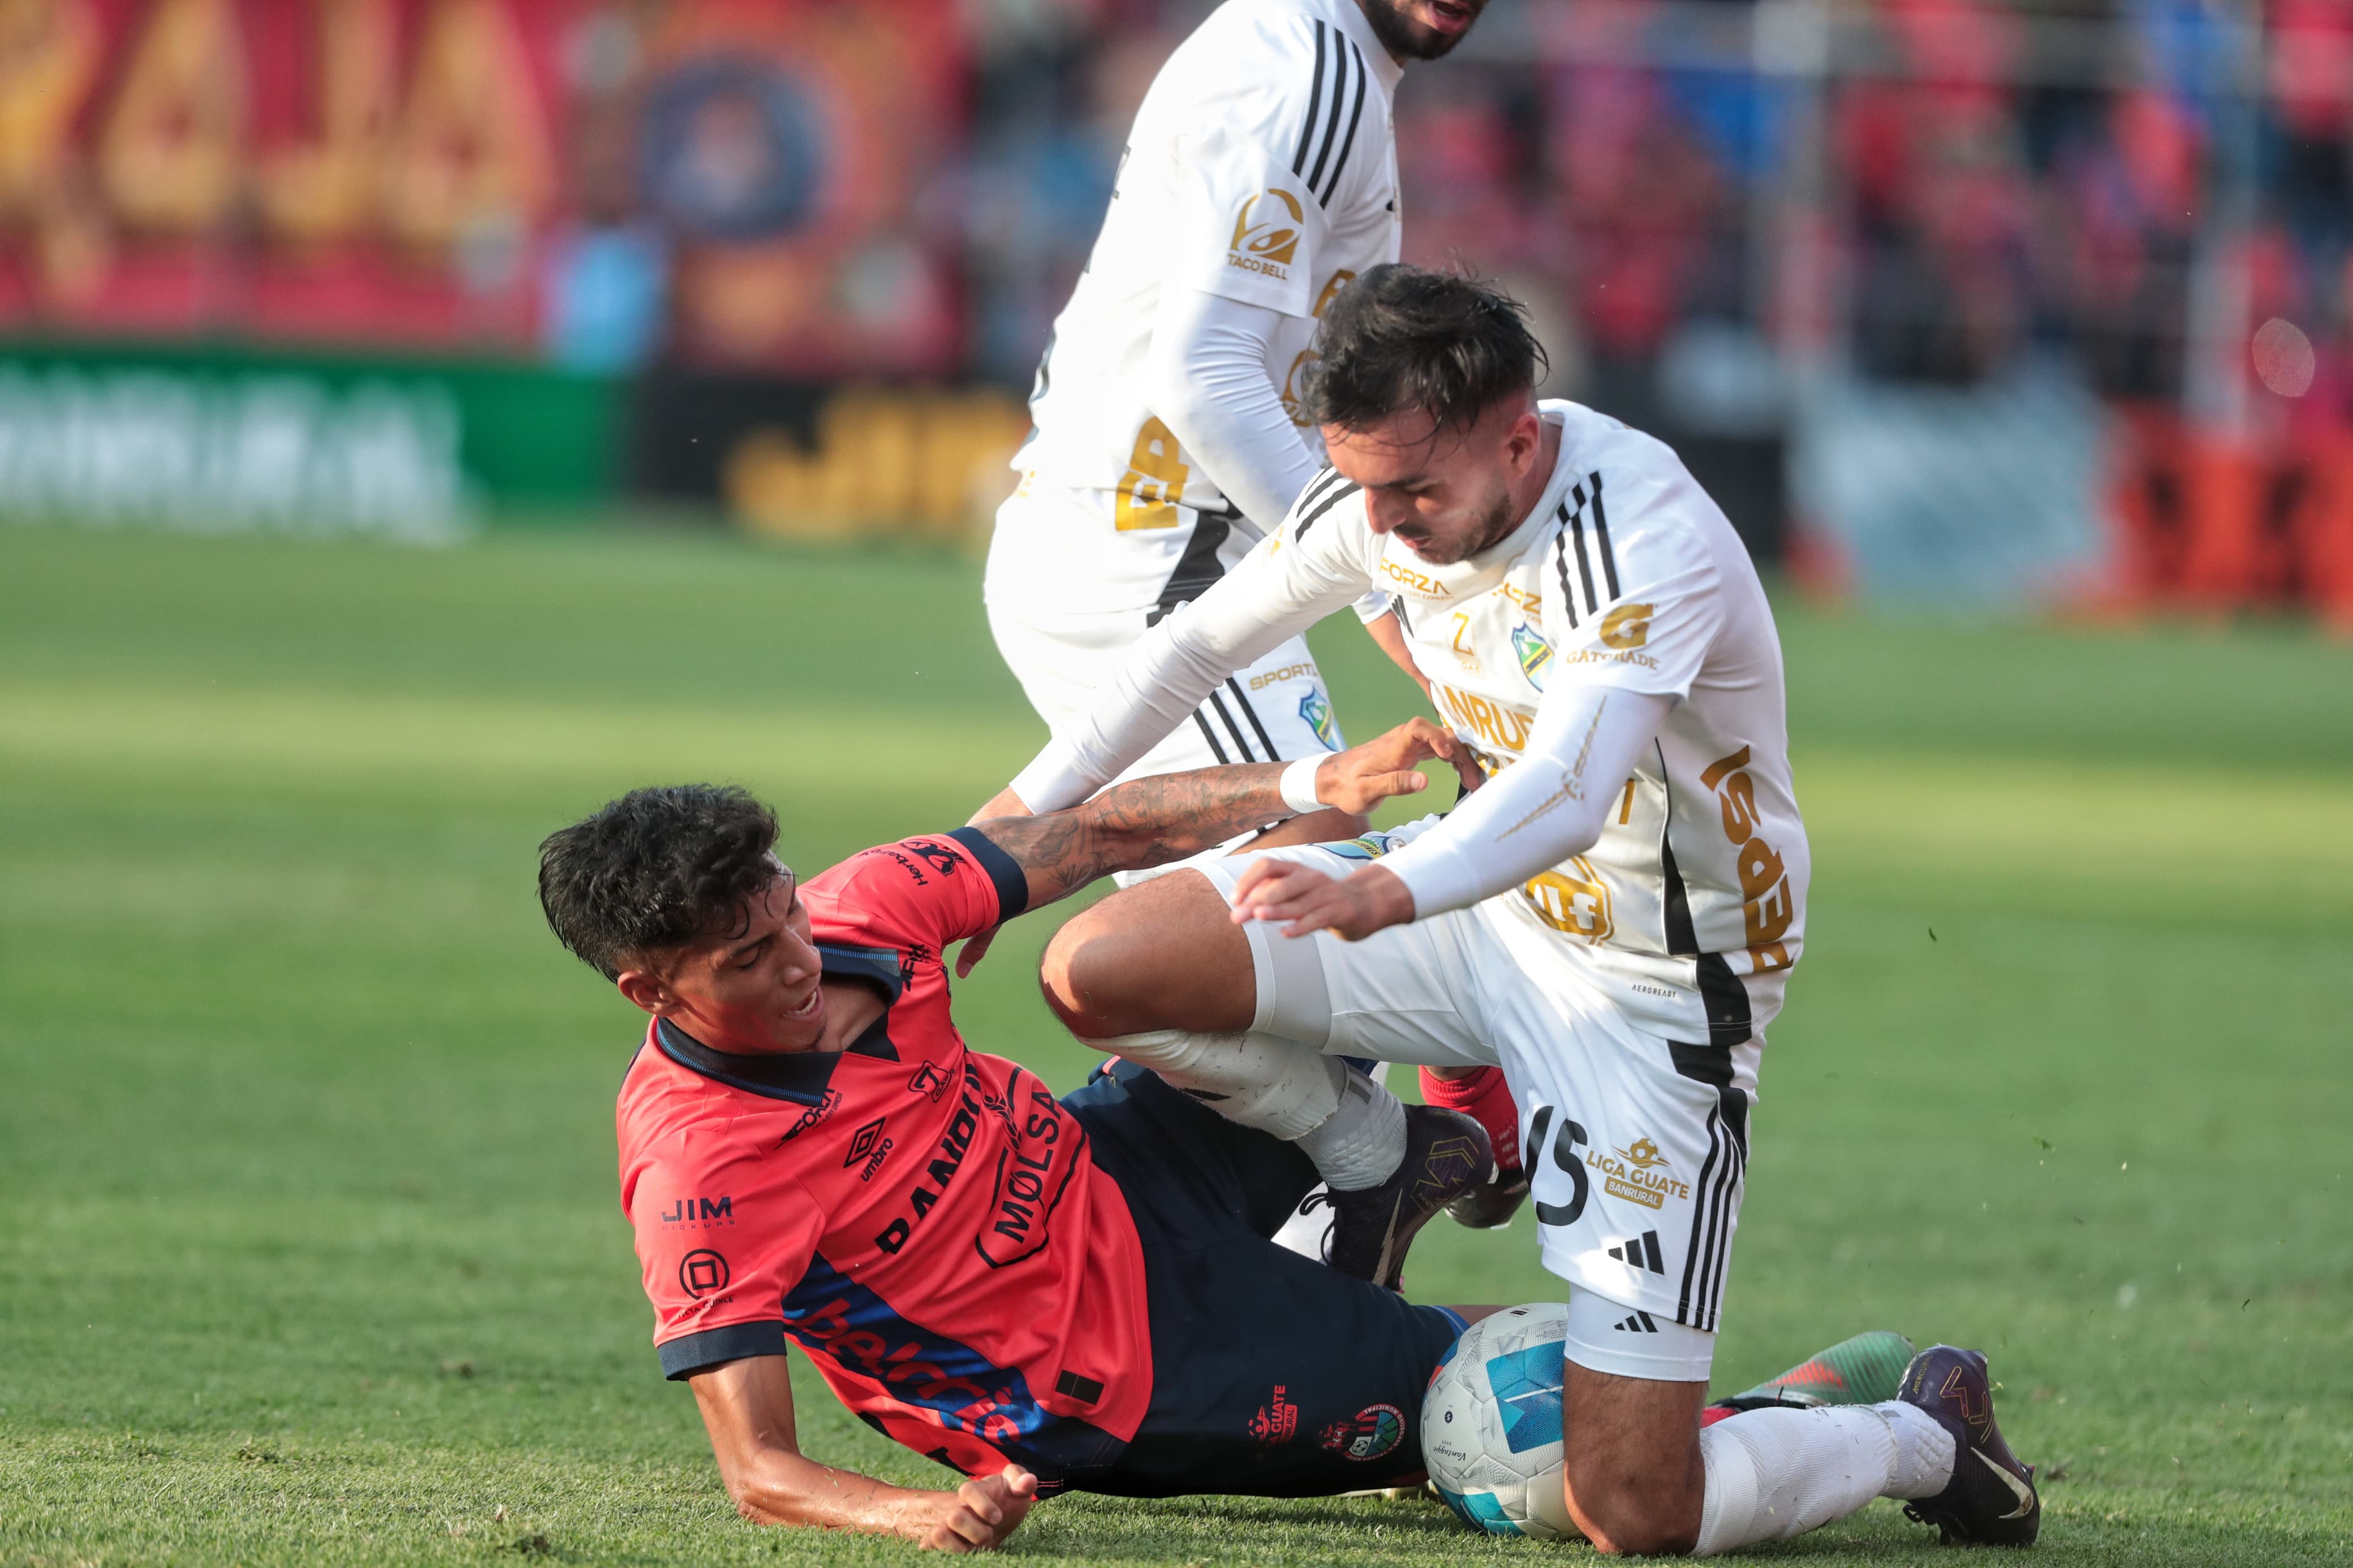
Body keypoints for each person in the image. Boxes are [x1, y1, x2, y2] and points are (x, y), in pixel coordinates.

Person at [976, 265, 2044, 1553]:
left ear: (1517, 437)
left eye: (1413, 491)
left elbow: (1570, 788)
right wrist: (997, 836)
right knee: (1100, 966)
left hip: (1650, 988)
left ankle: (1918, 1429)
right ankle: (1374, 1155)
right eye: (1363, 485)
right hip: (1476, 906)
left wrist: (1384, 884)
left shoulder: (1641, 530)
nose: (1381, 524)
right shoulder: (1382, 499)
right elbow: (1193, 645)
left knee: (1633, 1510)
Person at [535, 723, 1505, 1550]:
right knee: (1509, 1396)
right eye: (749, 957)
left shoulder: (864, 906)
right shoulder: (700, 1166)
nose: (800, 958)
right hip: (1106, 1372)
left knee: (1262, 907)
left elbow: (1093, 832)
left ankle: (1399, 1151)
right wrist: (915, 1513)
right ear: (652, 991)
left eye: (787, 909)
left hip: (1116, 1162)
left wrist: (1314, 783)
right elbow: (757, 1468)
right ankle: (1356, 1288)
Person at [984, 0, 1497, 813]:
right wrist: (1388, 587)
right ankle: (879, 919)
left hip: (1155, 541)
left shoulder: (1314, 56)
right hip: (1150, 546)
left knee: (1271, 899)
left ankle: (889, 917)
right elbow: (1205, 372)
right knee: (1304, 885)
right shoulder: (1312, 70)